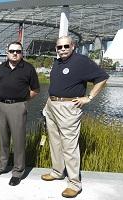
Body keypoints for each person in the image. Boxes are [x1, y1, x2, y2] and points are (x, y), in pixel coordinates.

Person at [41, 36, 109, 198]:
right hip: (52, 105)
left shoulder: (81, 61)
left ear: (73, 46)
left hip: (68, 108)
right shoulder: (57, 62)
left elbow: (103, 78)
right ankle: (57, 171)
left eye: (66, 46)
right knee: (55, 141)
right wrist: (48, 104)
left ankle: (74, 183)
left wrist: (89, 97)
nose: (62, 49)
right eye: (59, 47)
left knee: (69, 146)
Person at [0, 41, 40, 186]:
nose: (15, 53)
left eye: (18, 51)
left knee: (18, 141)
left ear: (22, 53)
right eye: (12, 51)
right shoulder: (1, 68)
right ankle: (2, 166)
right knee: (3, 138)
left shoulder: (28, 68)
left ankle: (18, 172)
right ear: (7, 52)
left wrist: (23, 100)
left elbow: (36, 90)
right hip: (1, 105)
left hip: (18, 106)